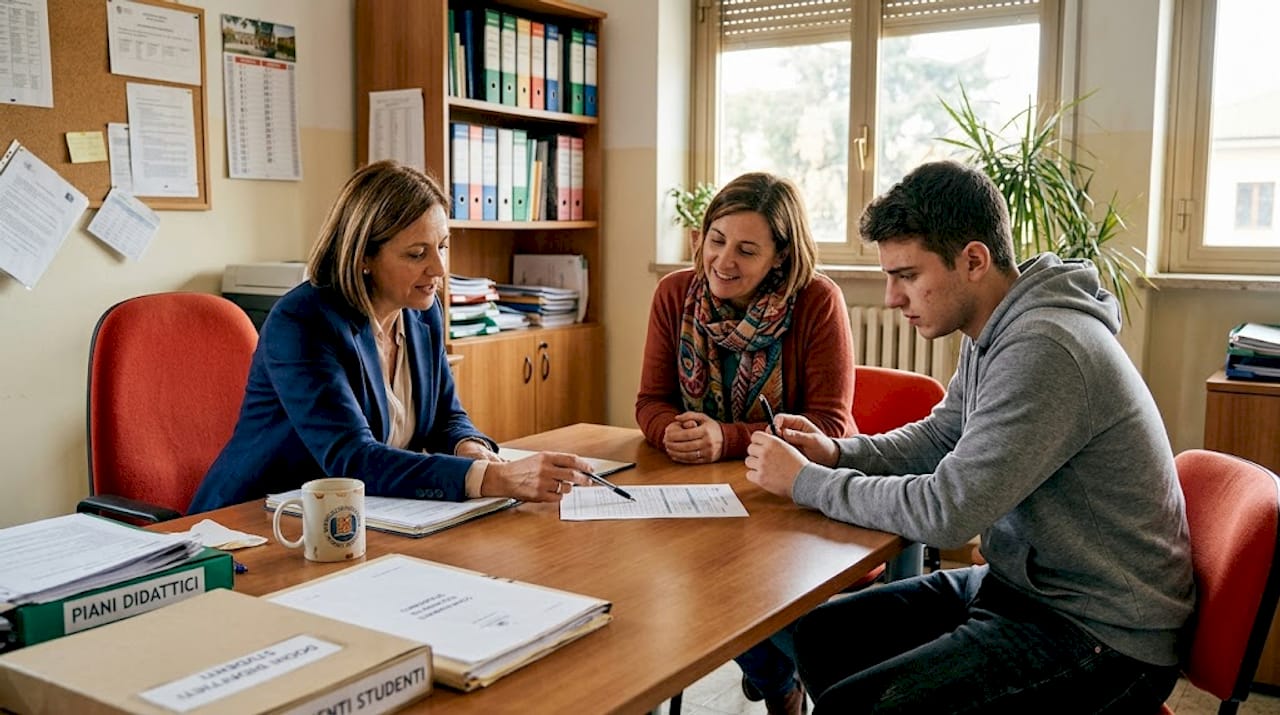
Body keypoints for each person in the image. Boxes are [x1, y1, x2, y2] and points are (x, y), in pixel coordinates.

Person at [745, 160, 1195, 713]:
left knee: (856, 705)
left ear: (974, 260)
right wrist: (838, 452)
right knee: (820, 637)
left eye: (907, 275)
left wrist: (808, 483)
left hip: (1100, 631)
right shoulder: (996, 328)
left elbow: (947, 511)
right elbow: (942, 436)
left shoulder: (1046, 348)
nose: (891, 297)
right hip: (1021, 591)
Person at [189, 161, 593, 513]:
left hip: (359, 519)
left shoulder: (422, 312)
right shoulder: (304, 321)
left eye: (443, 247)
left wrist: (467, 447)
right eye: (417, 254)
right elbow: (352, 458)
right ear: (364, 256)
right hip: (257, 521)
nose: (438, 269)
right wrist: (493, 480)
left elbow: (445, 417)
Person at [635, 172, 856, 714]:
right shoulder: (674, 295)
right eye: (716, 240)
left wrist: (726, 438)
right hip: (697, 495)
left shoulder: (817, 302)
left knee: (733, 579)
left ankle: (779, 682)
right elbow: (649, 402)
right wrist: (670, 429)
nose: (723, 261)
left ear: (780, 257)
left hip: (787, 499)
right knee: (677, 568)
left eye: (746, 249)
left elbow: (831, 427)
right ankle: (777, 674)